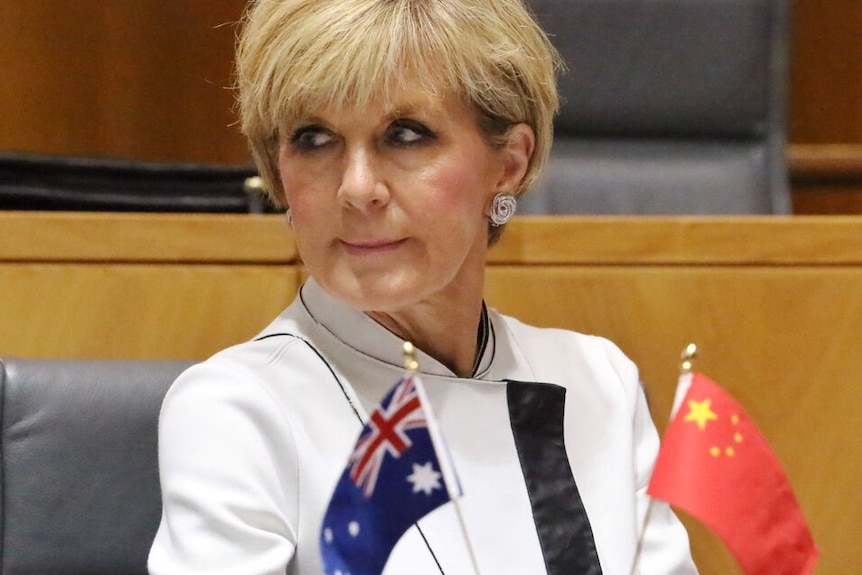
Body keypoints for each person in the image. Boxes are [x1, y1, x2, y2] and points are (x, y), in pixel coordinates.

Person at [148, 0, 698, 573]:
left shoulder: (597, 382)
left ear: (508, 165)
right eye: (314, 139)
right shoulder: (238, 411)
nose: (357, 189)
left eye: (405, 134)